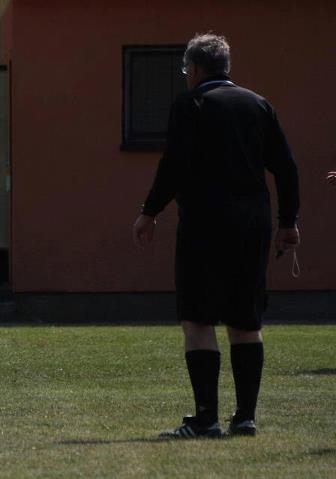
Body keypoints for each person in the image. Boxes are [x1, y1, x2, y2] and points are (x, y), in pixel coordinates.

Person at [132, 33, 300, 438]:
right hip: (253, 223)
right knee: (246, 319)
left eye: (186, 69)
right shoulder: (259, 104)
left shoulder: (190, 105)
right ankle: (245, 416)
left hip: (205, 223)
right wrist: (288, 222)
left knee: (198, 318)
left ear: (196, 68)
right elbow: (286, 168)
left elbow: (174, 164)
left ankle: (206, 417)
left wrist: (150, 211)